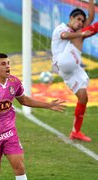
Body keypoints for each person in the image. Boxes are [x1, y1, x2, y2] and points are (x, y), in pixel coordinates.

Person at [51, 0, 96, 142]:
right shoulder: (61, 28)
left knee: (83, 97)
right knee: (82, 35)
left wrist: (91, 2)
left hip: (73, 68)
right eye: (78, 19)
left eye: (82, 21)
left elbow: (90, 17)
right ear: (70, 18)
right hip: (62, 62)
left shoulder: (77, 31)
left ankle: (76, 132)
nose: (80, 22)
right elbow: (65, 36)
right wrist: (82, 33)